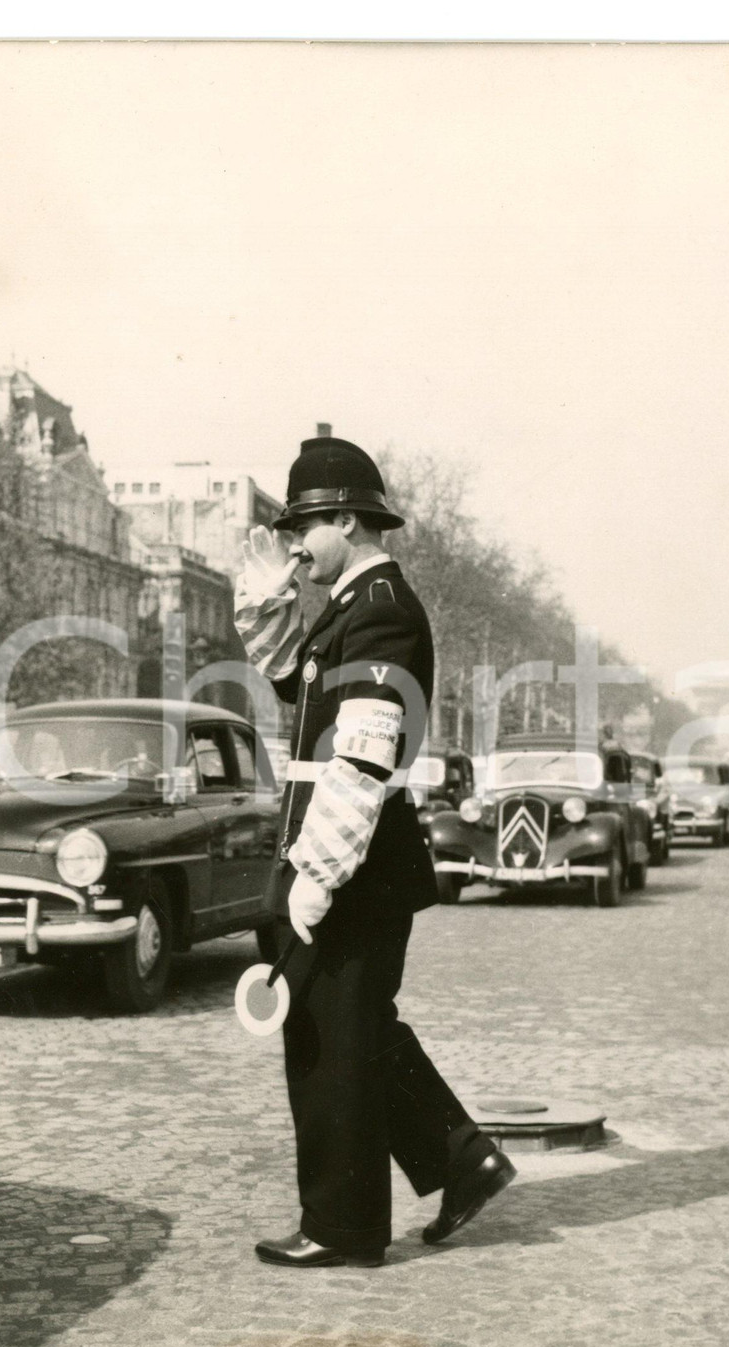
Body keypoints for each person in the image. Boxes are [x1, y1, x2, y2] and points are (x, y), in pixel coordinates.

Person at [234, 435, 514, 1269]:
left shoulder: (381, 608)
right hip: (350, 854)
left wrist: (316, 875)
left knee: (331, 1046)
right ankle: (464, 1160)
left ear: (347, 520)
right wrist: (267, 609)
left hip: (349, 859)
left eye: (303, 529)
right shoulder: (357, 607)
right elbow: (300, 685)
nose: (293, 546)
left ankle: (341, 1227)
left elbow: (361, 756)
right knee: (358, 1031)